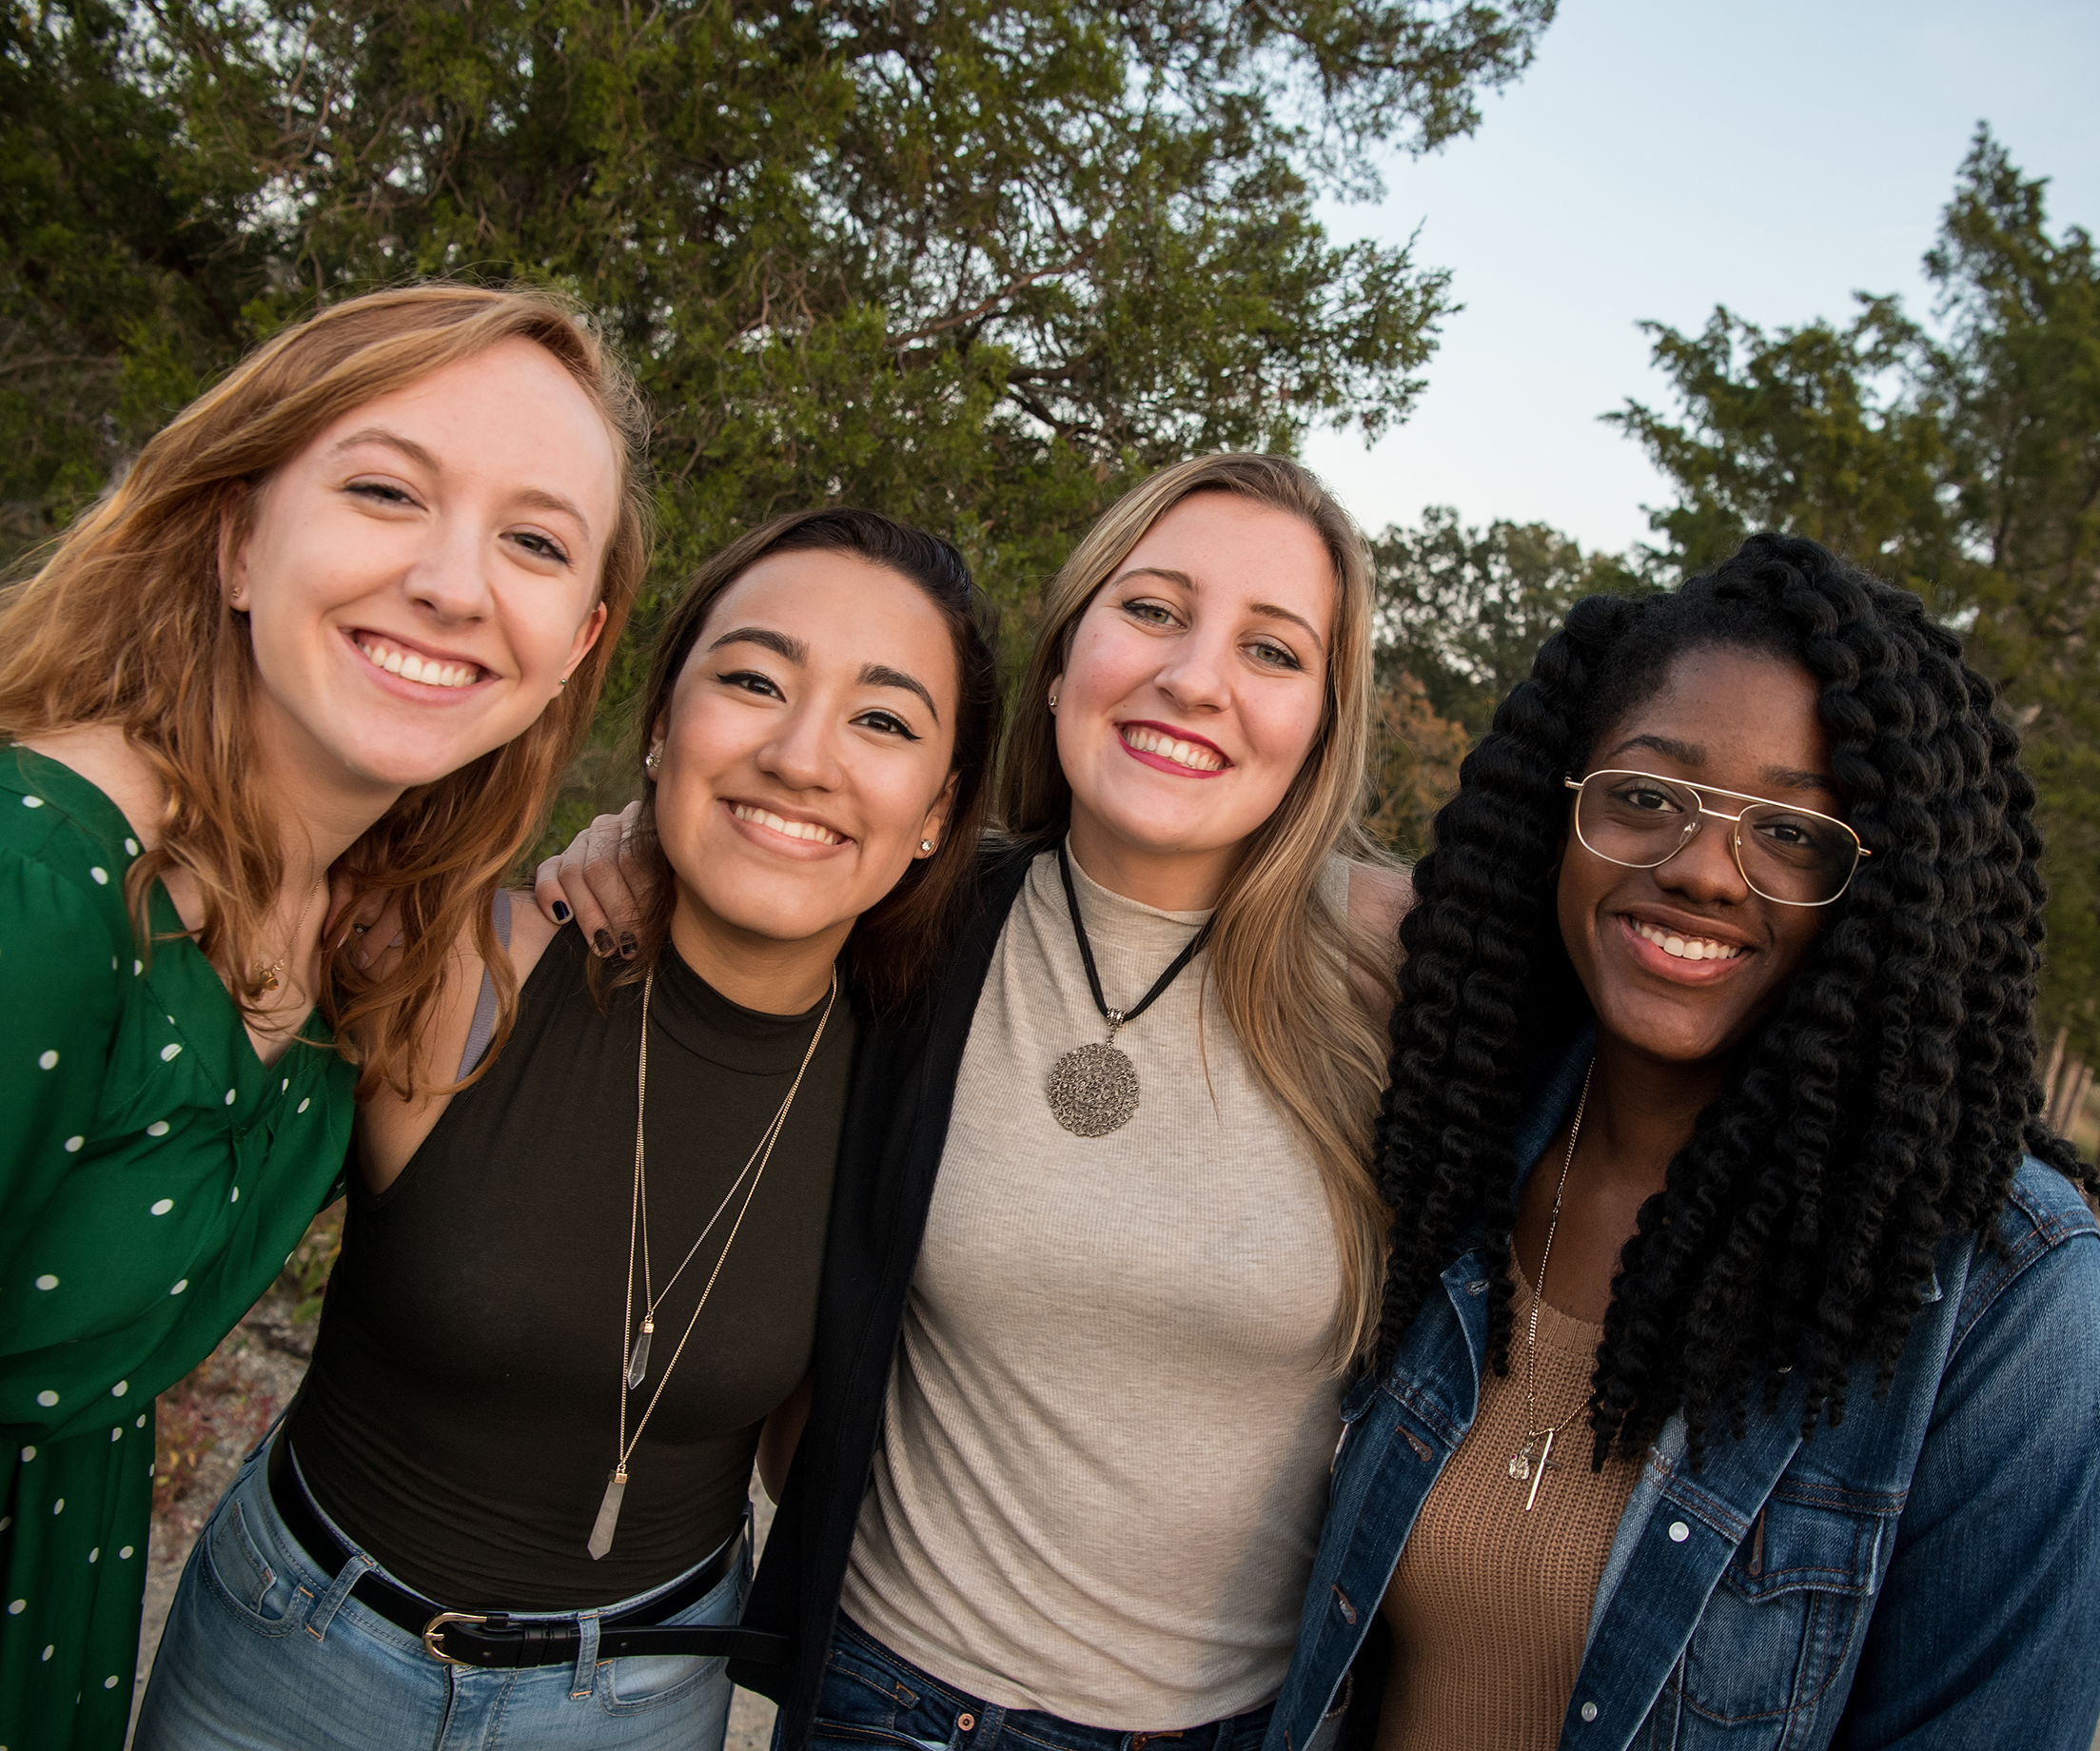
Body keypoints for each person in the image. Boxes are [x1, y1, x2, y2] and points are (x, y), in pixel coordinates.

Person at [542, 454, 1413, 1751]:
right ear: (1064, 660)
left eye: (1272, 650)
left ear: (1321, 725)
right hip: (884, 1703)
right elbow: (758, 817)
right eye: (1153, 611)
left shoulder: (1391, 975)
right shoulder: (910, 923)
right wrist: (630, 842)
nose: (1194, 677)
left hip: (1230, 1727)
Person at [135, 509, 1003, 1751]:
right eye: (751, 680)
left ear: (937, 808)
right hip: (293, 1657)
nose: (800, 755)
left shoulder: (911, 1090)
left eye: (882, 719)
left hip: (640, 1704)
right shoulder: (446, 964)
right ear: (660, 730)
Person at [1262, 533, 2100, 1751]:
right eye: (1645, 797)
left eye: (1793, 834)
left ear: (1894, 897)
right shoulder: (1445, 1142)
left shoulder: (2008, 1304)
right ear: (1561, 809)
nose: (1703, 869)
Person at [0, 282, 648, 1750]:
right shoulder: (39, 881)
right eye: (382, 492)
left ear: (575, 641)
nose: (452, 583)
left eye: (534, 543)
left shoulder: (359, 923)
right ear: (236, 536)